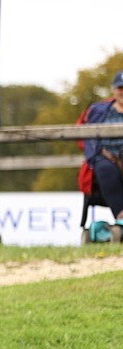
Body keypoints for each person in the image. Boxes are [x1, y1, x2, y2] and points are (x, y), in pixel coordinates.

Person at [82, 70, 123, 242]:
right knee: (104, 168)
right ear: (114, 89)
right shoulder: (99, 111)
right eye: (120, 88)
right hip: (105, 157)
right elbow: (89, 138)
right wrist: (102, 154)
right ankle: (121, 217)